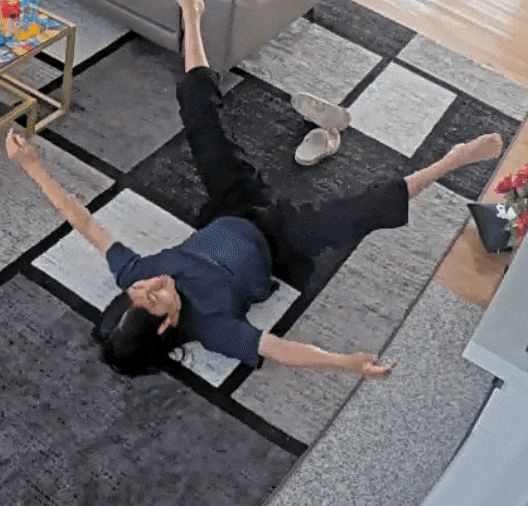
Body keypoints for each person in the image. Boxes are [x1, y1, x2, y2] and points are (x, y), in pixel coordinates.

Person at [5, 0, 503, 379]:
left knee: (201, 124)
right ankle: (452, 159)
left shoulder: (137, 280)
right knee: (357, 213)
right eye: (155, 300)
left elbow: (83, 222)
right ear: (167, 324)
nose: (152, 285)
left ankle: (192, 14)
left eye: (140, 291)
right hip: (278, 242)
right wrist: (346, 362)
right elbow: (282, 350)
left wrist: (32, 165)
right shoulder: (213, 328)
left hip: (232, 208)